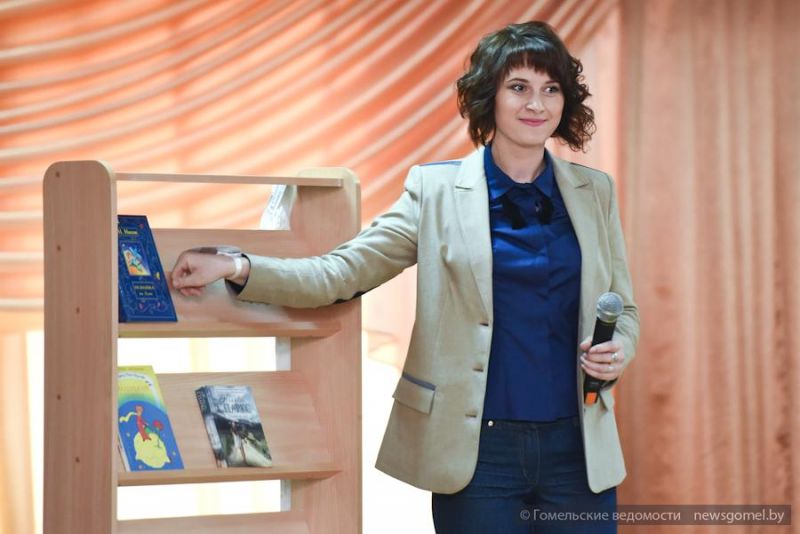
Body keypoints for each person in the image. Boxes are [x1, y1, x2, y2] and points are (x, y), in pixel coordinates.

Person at [171, 20, 639, 534]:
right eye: (519, 87)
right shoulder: (435, 191)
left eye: (551, 89)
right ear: (489, 96)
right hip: (477, 456)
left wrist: (620, 348)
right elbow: (340, 272)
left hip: (578, 451)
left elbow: (624, 308)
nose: (537, 104)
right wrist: (238, 265)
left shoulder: (594, 192)